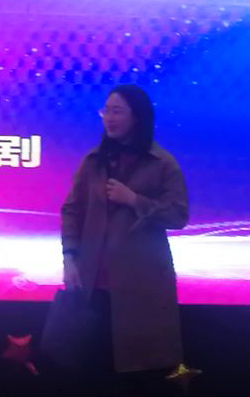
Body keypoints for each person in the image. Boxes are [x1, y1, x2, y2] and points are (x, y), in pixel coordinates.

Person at [58, 84, 188, 395]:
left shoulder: (162, 163)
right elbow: (71, 210)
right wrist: (69, 256)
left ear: (137, 116)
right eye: (106, 111)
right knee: (92, 372)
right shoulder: (93, 161)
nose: (109, 118)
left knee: (133, 376)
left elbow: (178, 215)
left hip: (140, 289)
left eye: (117, 111)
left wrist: (134, 200)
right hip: (93, 285)